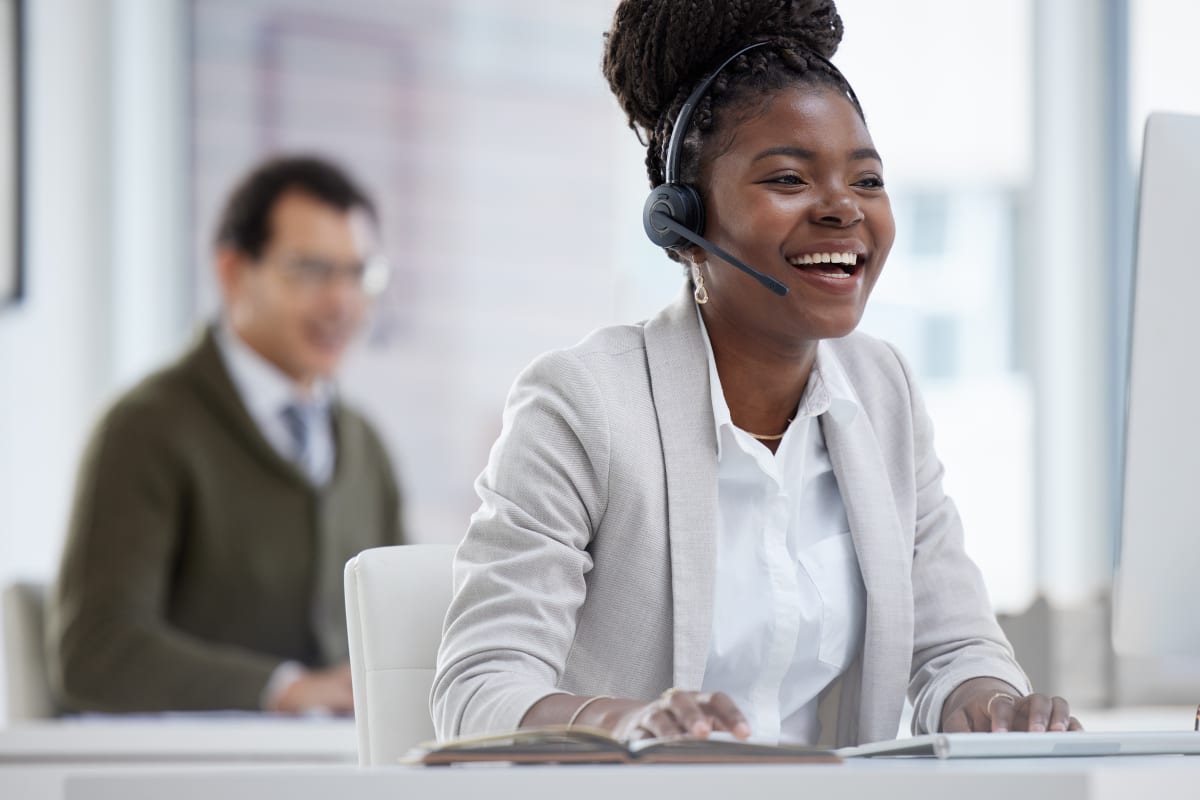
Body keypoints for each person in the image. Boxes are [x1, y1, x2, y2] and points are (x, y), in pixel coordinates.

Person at [432, 0, 1082, 746]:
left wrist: (993, 702)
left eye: (867, 180)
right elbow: (478, 687)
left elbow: (955, 648)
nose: (843, 209)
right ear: (684, 222)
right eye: (787, 180)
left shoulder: (883, 393)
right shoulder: (584, 405)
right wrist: (627, 725)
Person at [47, 155, 404, 714]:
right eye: (311, 271)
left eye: (358, 273)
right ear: (234, 272)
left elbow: (403, 630)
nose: (342, 300)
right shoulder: (146, 427)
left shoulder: (365, 445)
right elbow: (96, 651)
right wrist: (286, 690)